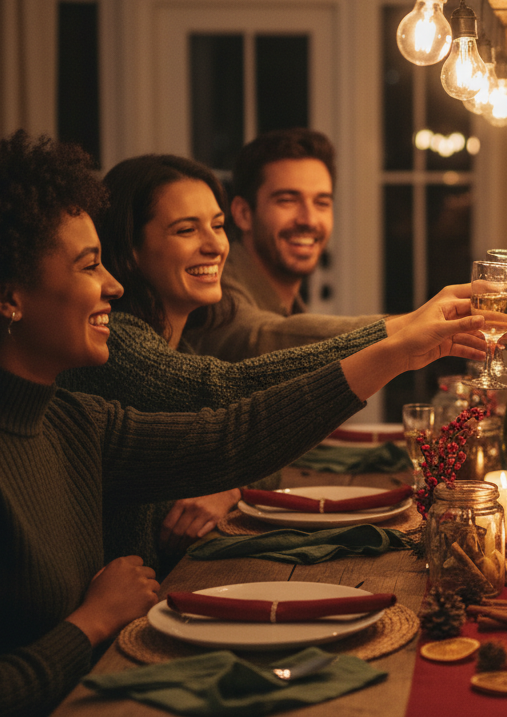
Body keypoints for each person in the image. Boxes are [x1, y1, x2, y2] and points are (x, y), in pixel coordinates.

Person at [0, 132, 482, 716]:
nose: (112, 284)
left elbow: (232, 436)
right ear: (8, 297)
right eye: (88, 266)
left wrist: (403, 350)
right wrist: (92, 621)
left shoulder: (68, 420)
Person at [57, 154, 478, 575]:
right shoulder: (118, 346)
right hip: (119, 608)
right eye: (186, 229)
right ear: (129, 248)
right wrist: (397, 337)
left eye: (217, 226)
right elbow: (231, 394)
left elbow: (258, 455)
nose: (214, 244)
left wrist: (231, 484)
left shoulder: (177, 346)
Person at [182, 128, 386, 360]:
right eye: (287, 200)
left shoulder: (291, 308)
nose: (308, 220)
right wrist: (406, 328)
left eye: (321, 203)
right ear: (243, 214)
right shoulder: (214, 284)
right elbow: (257, 338)